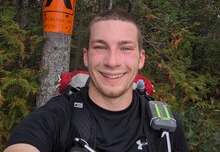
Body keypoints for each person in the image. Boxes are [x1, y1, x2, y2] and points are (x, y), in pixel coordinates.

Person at [4, 9, 188, 152]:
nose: (112, 61)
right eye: (100, 47)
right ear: (86, 57)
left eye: (125, 48)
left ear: (141, 59)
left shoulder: (166, 128)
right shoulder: (56, 117)